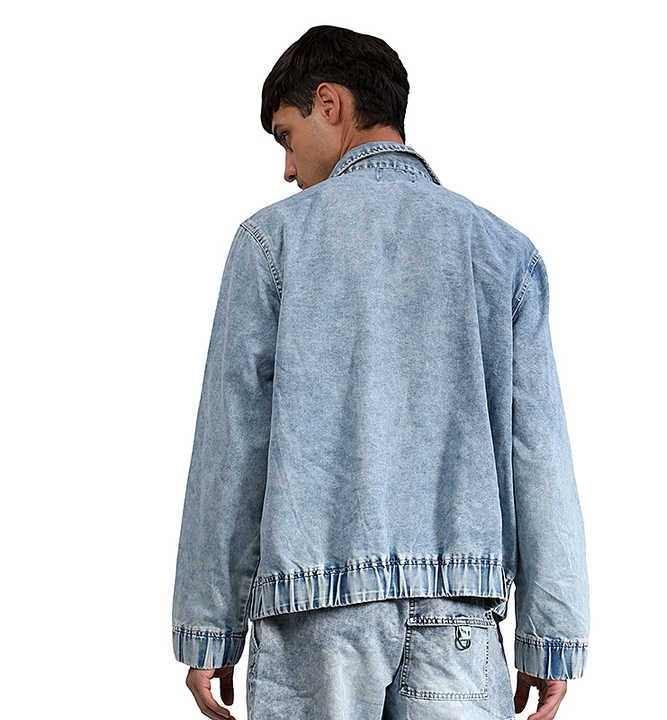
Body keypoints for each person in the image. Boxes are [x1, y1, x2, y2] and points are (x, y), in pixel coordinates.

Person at [171, 24, 590, 720]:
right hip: (458, 622)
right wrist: (551, 635)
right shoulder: (503, 252)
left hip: (314, 616)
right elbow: (538, 453)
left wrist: (210, 624)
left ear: (330, 103)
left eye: (285, 136)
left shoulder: (271, 242)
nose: (287, 167)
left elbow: (232, 447)